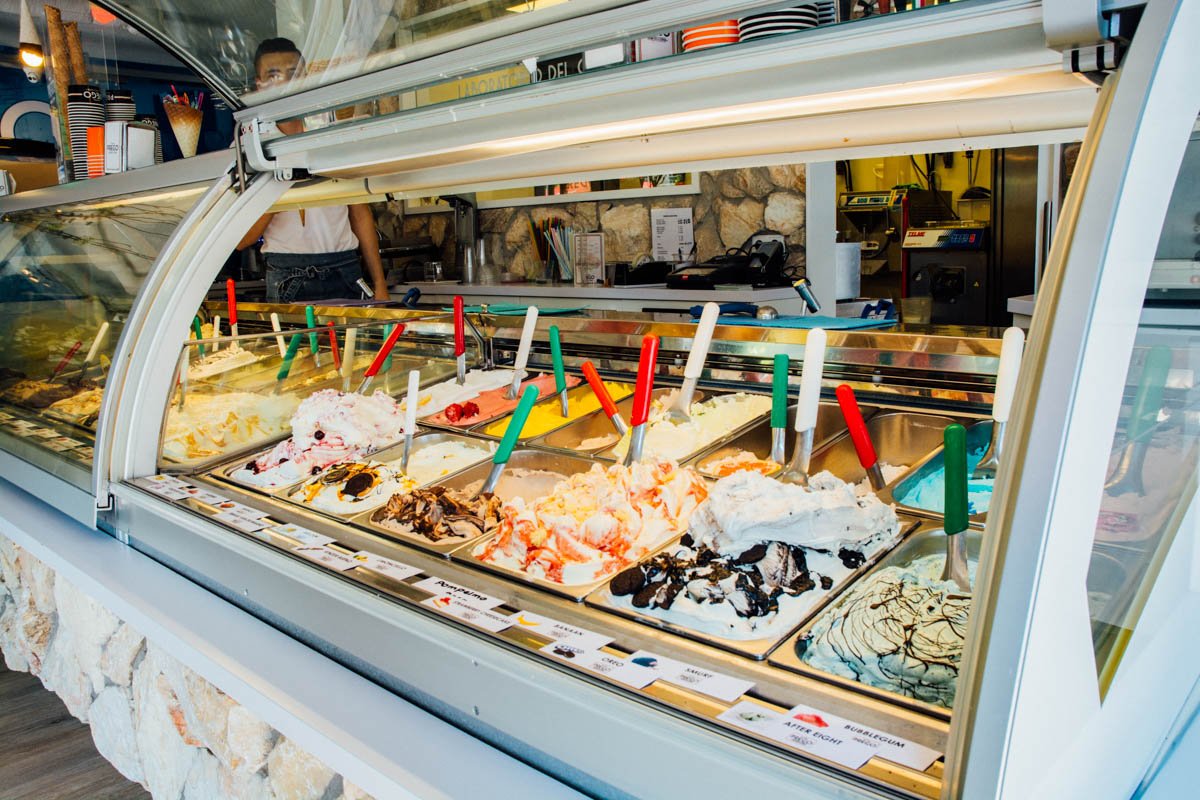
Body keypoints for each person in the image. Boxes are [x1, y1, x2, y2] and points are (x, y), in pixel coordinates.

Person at [237, 38, 389, 302]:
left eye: (293, 74)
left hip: (345, 268)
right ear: (259, 85)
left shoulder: (328, 137)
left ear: (305, 79)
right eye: (273, 76)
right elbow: (242, 240)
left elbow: (359, 213)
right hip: (287, 275)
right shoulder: (250, 148)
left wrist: (379, 282)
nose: (285, 84)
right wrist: (280, 190)